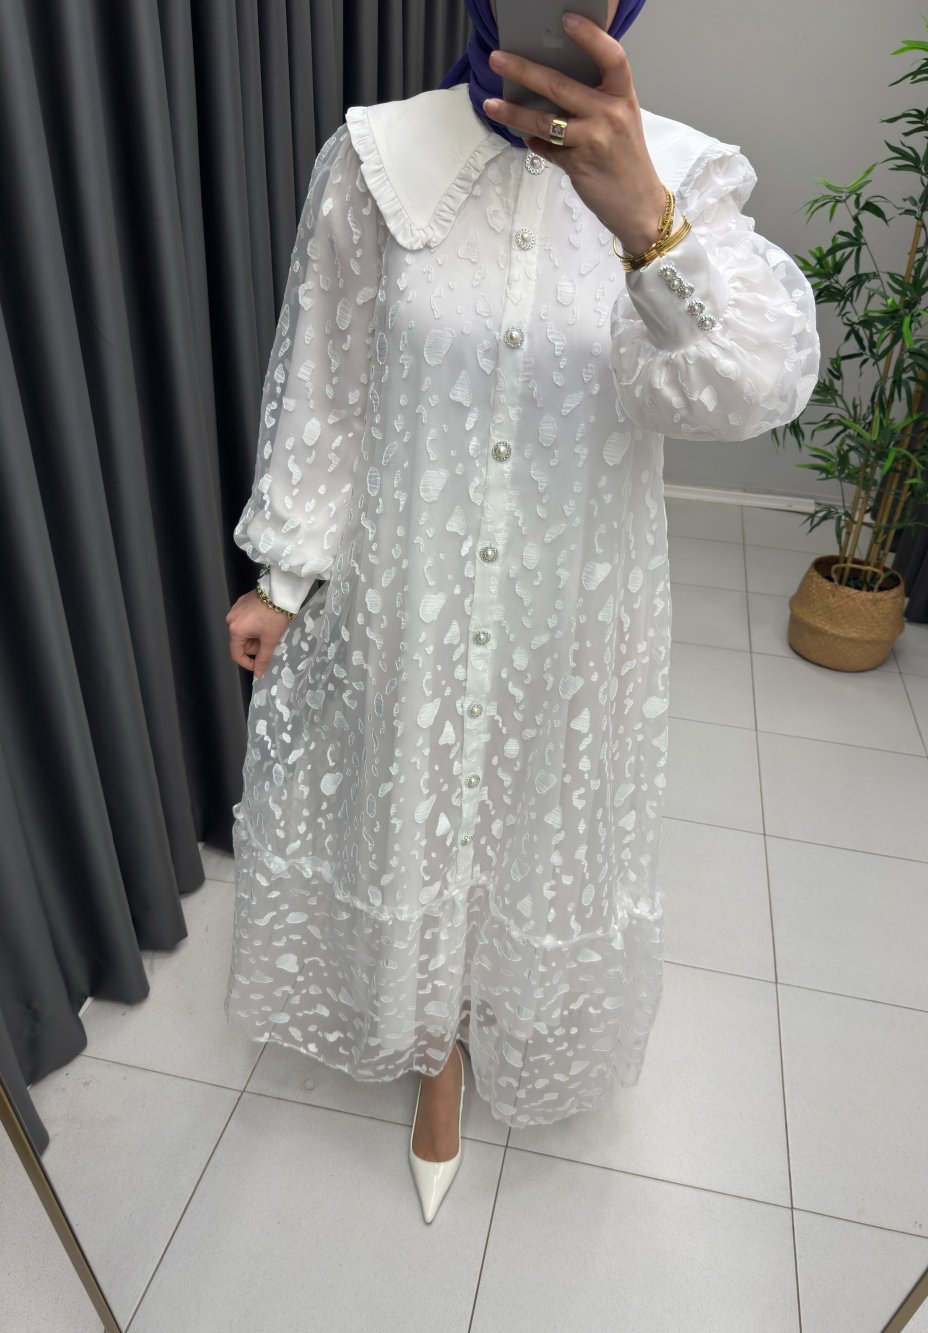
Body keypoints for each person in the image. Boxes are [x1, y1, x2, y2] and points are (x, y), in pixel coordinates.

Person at [224, 0, 820, 1224]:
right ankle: (433, 1047)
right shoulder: (377, 158)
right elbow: (330, 378)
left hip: (574, 596)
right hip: (413, 587)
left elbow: (749, 391)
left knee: (530, 812)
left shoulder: (684, 176)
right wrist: (281, 574)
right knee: (417, 801)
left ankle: (494, 1000)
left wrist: (647, 228)